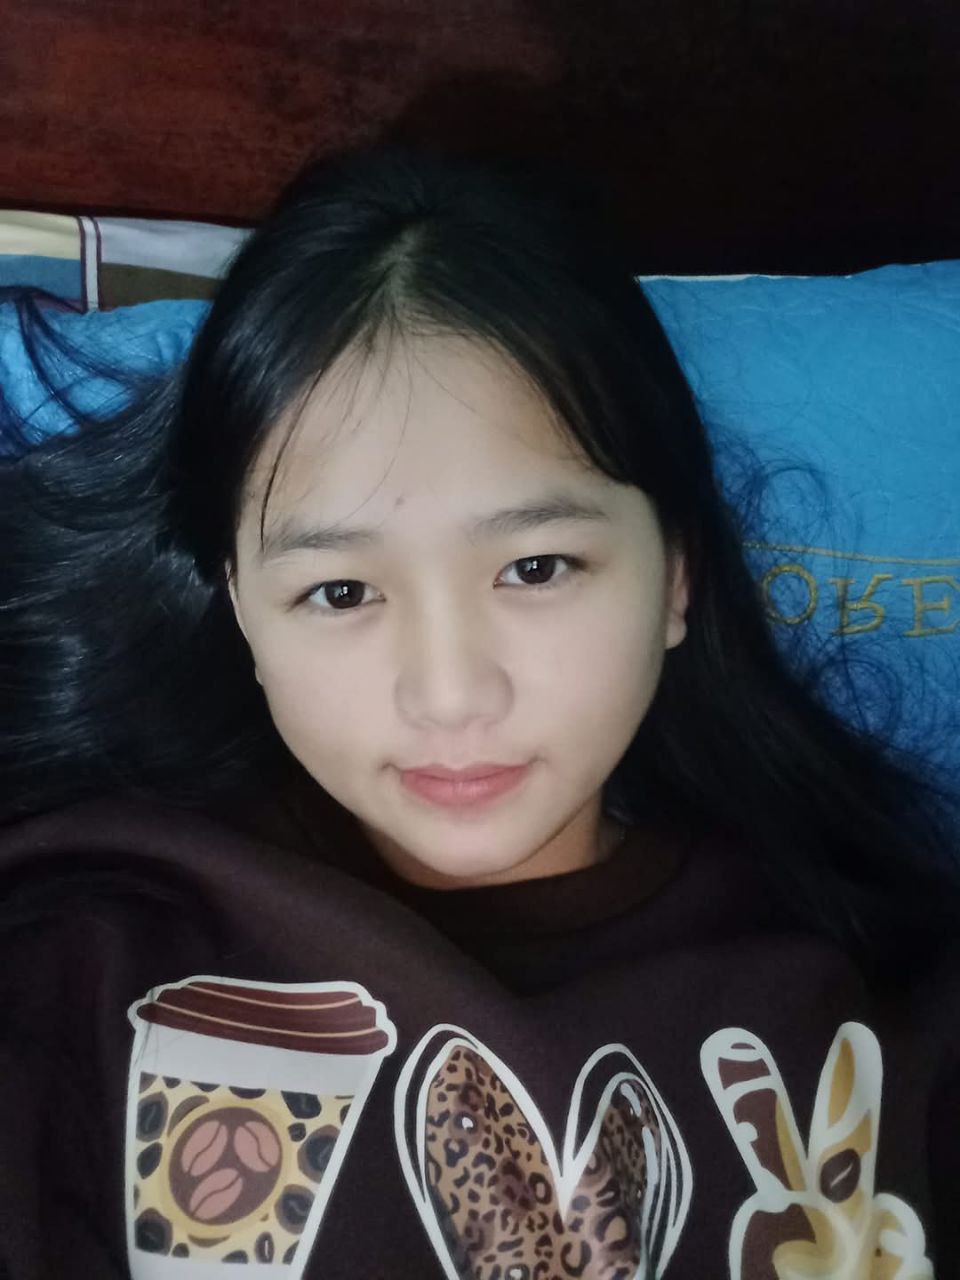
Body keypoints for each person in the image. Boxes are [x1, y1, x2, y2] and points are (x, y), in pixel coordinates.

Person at [0, 140, 958, 1279]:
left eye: (537, 568)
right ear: (240, 607)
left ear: (677, 577)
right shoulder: (84, 961)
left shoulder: (880, 999)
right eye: (341, 591)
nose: (451, 693)